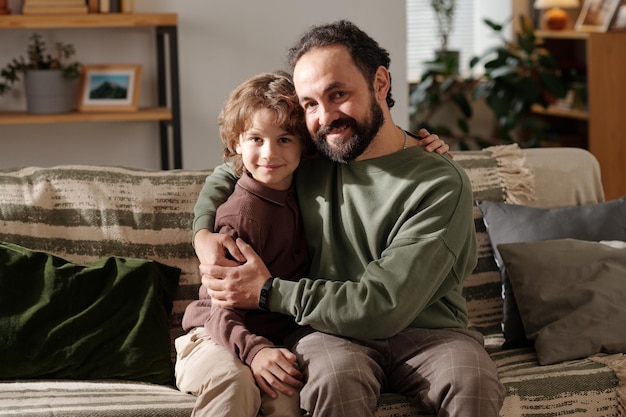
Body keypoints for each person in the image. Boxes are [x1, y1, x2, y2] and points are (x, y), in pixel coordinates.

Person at [196, 20, 499, 417]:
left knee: (472, 380)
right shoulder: (310, 153)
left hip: (433, 334)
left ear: (380, 83)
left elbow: (385, 305)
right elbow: (232, 170)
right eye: (310, 104)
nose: (325, 116)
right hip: (328, 332)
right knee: (333, 380)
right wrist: (202, 231)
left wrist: (270, 290)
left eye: (338, 94)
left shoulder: (438, 181)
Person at [176, 71, 313, 417]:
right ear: (237, 143)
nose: (270, 153)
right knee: (235, 383)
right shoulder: (242, 215)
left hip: (264, 342)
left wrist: (416, 141)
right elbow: (219, 309)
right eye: (256, 139)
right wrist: (255, 352)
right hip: (213, 337)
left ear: (304, 145)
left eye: (285, 139)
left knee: (288, 396)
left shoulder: (304, 193)